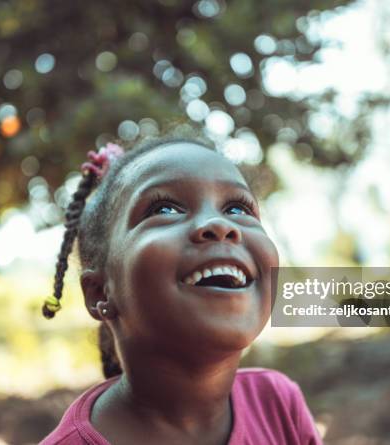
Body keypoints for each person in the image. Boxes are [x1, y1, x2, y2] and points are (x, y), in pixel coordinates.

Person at [40, 135, 323, 445]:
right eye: (166, 209)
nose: (220, 224)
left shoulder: (277, 405)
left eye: (238, 209)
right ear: (99, 293)